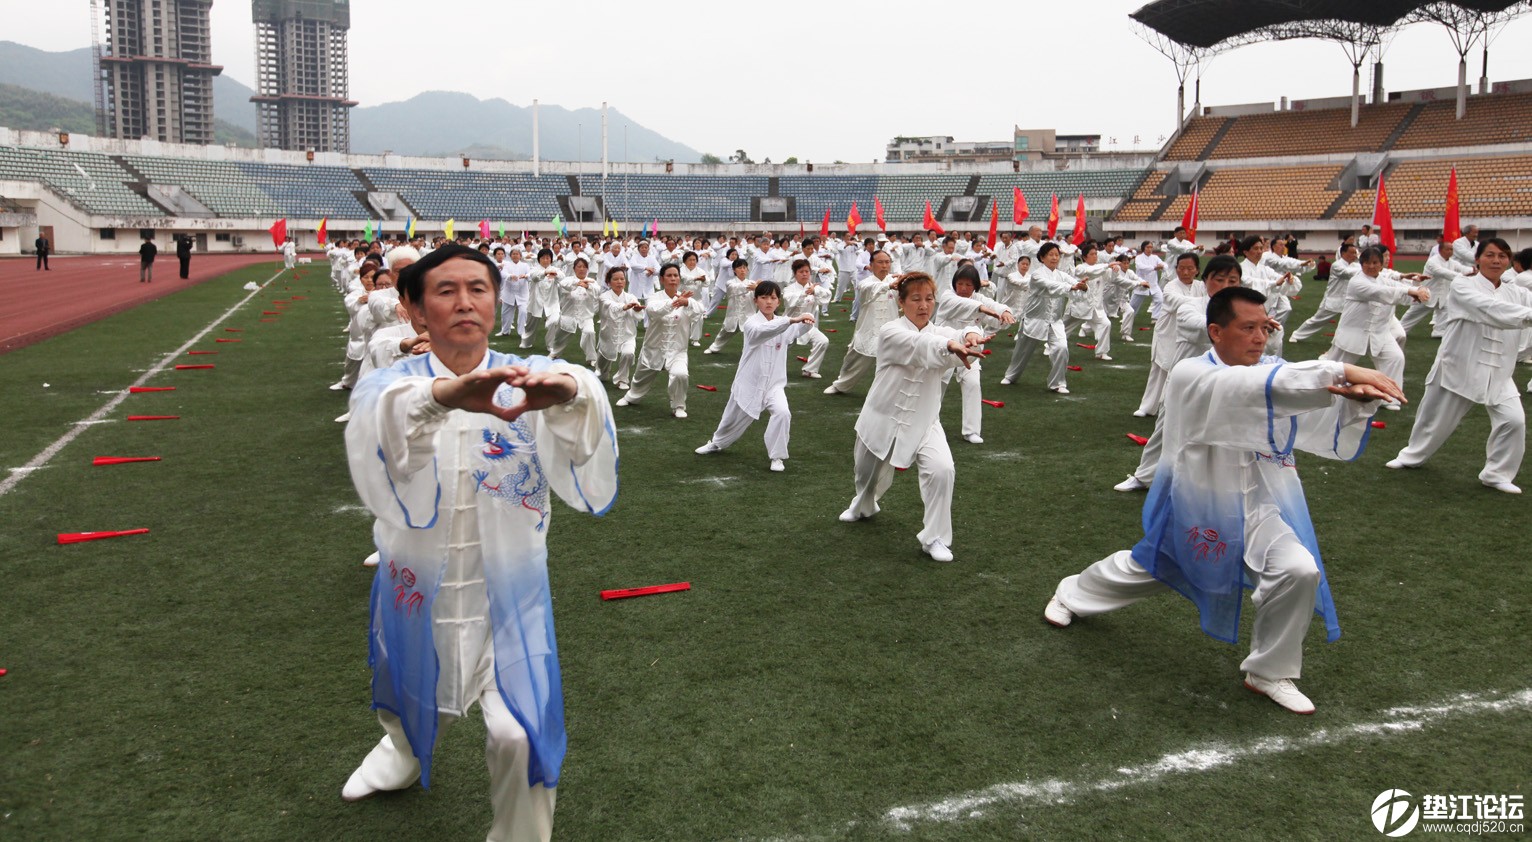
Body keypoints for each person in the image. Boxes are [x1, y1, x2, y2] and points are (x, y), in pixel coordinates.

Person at [341, 243, 618, 842]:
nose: (465, 301)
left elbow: (588, 395)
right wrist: (445, 396)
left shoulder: (525, 377)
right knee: (402, 683)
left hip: (509, 597)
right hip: (417, 583)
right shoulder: (391, 384)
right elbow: (376, 425)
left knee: (519, 735)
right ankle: (401, 752)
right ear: (414, 310)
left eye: (478, 288)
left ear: (495, 301)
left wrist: (568, 389)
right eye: (445, 291)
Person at [1045, 286, 1403, 714]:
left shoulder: (1270, 368)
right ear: (1215, 332)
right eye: (1248, 328)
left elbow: (1295, 400)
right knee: (1147, 568)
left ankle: (1269, 670)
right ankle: (1071, 594)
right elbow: (1255, 388)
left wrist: (1353, 401)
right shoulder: (1191, 373)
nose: (1259, 338)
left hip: (1260, 504)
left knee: (1299, 570)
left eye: (1264, 328)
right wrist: (1340, 370)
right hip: (1201, 505)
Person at [838, 273, 986, 563]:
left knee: (943, 470)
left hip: (925, 420)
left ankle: (936, 538)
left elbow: (955, 337)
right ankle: (863, 504)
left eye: (929, 299)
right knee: (865, 473)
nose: (923, 305)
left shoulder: (941, 333)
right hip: (881, 415)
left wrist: (968, 335)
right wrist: (950, 345)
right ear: (901, 302)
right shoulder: (890, 331)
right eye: (916, 299)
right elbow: (921, 346)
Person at [1387, 238, 1532, 493]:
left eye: (1502, 256)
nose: (1496, 260)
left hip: (1499, 371)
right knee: (1434, 419)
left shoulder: (1517, 292)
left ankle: (1497, 474)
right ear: (1477, 259)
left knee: (1514, 421)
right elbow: (1490, 309)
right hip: (1460, 366)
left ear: (1509, 260)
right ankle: (1412, 456)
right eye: (1490, 255)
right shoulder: (1463, 286)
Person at [1115, 256, 1250, 491]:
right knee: (1165, 429)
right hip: (1184, 381)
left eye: (1233, 281)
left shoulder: (1244, 313)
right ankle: (1144, 476)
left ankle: (1214, 483)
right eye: (1219, 279)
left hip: (1223, 381)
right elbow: (1197, 326)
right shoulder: (1192, 305)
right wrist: (1235, 327)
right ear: (1206, 279)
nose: (1226, 286)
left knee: (1221, 432)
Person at [694, 280, 816, 472]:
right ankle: (716, 443)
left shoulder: (783, 324)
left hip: (774, 385)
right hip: (748, 383)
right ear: (756, 300)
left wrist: (808, 318)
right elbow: (764, 331)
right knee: (730, 419)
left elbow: (799, 329)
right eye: (764, 297)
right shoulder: (751, 323)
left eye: (773, 298)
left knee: (783, 413)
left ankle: (777, 457)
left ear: (778, 301)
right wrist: (791, 320)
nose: (769, 302)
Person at [1321, 247, 1429, 410]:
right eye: (1366, 263)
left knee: (1395, 358)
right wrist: (1412, 290)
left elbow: (1399, 290)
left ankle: (1390, 397)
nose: (1370, 266)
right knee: (1335, 367)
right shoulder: (1357, 282)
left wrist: (1419, 289)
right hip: (1353, 333)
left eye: (1375, 263)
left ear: (1381, 264)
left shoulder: (1383, 279)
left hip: (1379, 333)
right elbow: (1383, 293)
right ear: (1361, 263)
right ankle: (1318, 390)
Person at [936, 264, 1014, 444]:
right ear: (954, 283)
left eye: (968, 285)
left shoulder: (980, 299)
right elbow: (968, 304)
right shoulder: (948, 296)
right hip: (944, 346)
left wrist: (1004, 312)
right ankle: (928, 423)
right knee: (936, 386)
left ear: (976, 287)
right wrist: (983, 307)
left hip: (971, 349)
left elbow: (993, 306)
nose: (963, 289)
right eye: (960, 284)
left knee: (972, 383)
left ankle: (971, 431)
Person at [617, 263, 705, 418]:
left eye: (676, 275)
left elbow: (699, 311)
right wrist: (675, 302)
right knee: (639, 379)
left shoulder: (687, 299)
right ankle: (631, 397)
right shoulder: (654, 297)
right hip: (654, 348)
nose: (673, 278)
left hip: (677, 350)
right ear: (662, 279)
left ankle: (678, 405)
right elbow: (653, 311)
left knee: (680, 375)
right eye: (669, 275)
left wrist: (688, 302)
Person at [1000, 242, 1086, 393]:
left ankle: (1058, 383)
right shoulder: (1037, 275)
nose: (1054, 258)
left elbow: (1075, 284)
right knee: (1022, 351)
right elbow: (1050, 286)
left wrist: (1083, 286)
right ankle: (1011, 375)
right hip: (1034, 320)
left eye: (1057, 255)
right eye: (1051, 255)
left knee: (1061, 348)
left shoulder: (1062, 275)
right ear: (1042, 257)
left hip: (1055, 321)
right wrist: (1070, 287)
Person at [824, 250, 901, 395]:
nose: (884, 266)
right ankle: (840, 385)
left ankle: (888, 393)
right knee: (853, 360)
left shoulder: (896, 281)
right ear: (871, 265)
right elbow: (869, 290)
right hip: (868, 329)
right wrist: (889, 286)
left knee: (894, 364)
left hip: (890, 331)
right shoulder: (865, 282)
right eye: (880, 262)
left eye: (887, 262)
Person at [1289, 242, 1361, 344]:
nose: (1355, 255)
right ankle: (1296, 334)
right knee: (1317, 320)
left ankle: (1344, 341)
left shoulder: (1356, 265)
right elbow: (1347, 273)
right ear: (1344, 253)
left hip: (1348, 300)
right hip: (1333, 299)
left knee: (1354, 320)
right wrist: (1364, 268)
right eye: (1352, 253)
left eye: (1355, 253)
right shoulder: (1337, 265)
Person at [781, 258, 832, 378]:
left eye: (807, 271)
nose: (804, 274)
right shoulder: (789, 289)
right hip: (790, 325)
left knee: (823, 341)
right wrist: (805, 293)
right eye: (801, 272)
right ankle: (771, 368)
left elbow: (827, 295)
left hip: (808, 326)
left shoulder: (814, 288)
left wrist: (815, 291)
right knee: (780, 348)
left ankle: (809, 370)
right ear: (795, 274)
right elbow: (789, 302)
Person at [595, 268, 642, 390]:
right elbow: (610, 306)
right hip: (608, 334)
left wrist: (637, 310)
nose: (619, 281)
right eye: (615, 279)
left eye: (622, 279)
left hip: (628, 333)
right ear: (609, 282)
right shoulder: (603, 297)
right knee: (603, 364)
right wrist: (624, 307)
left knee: (628, 354)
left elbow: (639, 316)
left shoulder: (631, 297)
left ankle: (622, 379)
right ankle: (603, 371)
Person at [549, 257, 599, 366]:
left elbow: (597, 290)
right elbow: (564, 284)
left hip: (586, 316)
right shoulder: (568, 280)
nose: (581, 269)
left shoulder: (592, 281)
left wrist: (587, 286)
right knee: (560, 336)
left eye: (584, 267)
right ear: (574, 268)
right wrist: (578, 283)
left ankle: (591, 358)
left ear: (587, 269)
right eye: (579, 267)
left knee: (590, 332)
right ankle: (555, 353)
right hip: (569, 315)